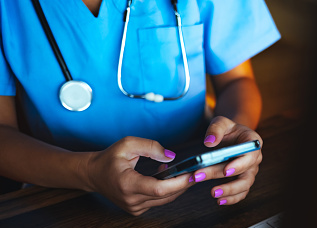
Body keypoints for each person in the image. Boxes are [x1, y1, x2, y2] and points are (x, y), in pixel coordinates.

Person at [0, 0, 280, 215]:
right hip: (59, 200)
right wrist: (88, 172)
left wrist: (234, 138)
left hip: (200, 186)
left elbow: (238, 81)